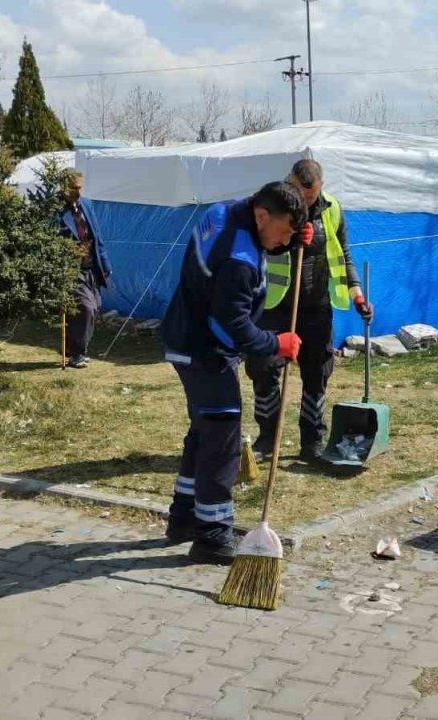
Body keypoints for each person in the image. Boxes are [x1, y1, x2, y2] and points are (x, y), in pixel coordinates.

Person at [159, 181, 310, 565]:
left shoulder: (226, 210)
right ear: (261, 215)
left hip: (186, 336)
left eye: (291, 234)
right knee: (222, 438)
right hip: (205, 349)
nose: (284, 240)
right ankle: (211, 535)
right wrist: (276, 344)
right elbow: (235, 327)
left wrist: (292, 240)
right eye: (284, 231)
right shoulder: (239, 260)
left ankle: (183, 518)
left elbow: (265, 236)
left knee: (204, 430)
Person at [245, 159, 374, 463]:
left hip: (316, 307)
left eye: (310, 197)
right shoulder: (270, 203)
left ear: (320, 187)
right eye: (299, 195)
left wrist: (357, 295)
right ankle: (268, 437)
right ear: (289, 181)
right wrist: (290, 243)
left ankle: (312, 440)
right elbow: (258, 243)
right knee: (263, 367)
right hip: (275, 306)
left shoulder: (333, 210)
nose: (304, 203)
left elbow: (343, 254)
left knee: (317, 373)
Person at [58, 171, 112, 369]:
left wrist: (105, 264)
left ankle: (74, 348)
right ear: (64, 187)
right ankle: (78, 353)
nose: (79, 192)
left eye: (80, 188)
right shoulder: (55, 210)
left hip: (91, 267)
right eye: (74, 188)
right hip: (71, 269)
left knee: (95, 307)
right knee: (85, 308)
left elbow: (97, 237)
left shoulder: (87, 205)